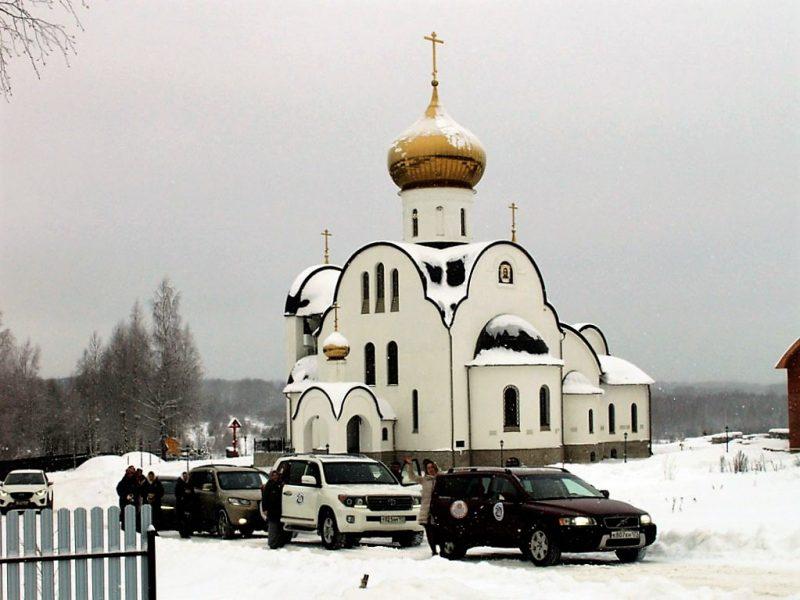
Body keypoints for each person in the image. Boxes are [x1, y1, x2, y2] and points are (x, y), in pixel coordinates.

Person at [404, 456, 439, 555]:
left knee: (438, 531)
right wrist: (410, 465)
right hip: (427, 511)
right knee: (430, 532)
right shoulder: (424, 480)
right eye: (428, 468)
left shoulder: (440, 479)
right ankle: (434, 551)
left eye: (432, 467)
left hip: (438, 511)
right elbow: (412, 477)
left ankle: (441, 548)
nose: (431, 469)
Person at [262, 469, 287, 549]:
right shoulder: (269, 485)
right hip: (271, 510)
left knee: (280, 527)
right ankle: (272, 543)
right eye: (273, 475)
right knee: (273, 527)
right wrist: (265, 509)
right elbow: (265, 498)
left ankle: (279, 542)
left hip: (279, 509)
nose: (275, 477)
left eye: (276, 475)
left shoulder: (280, 485)